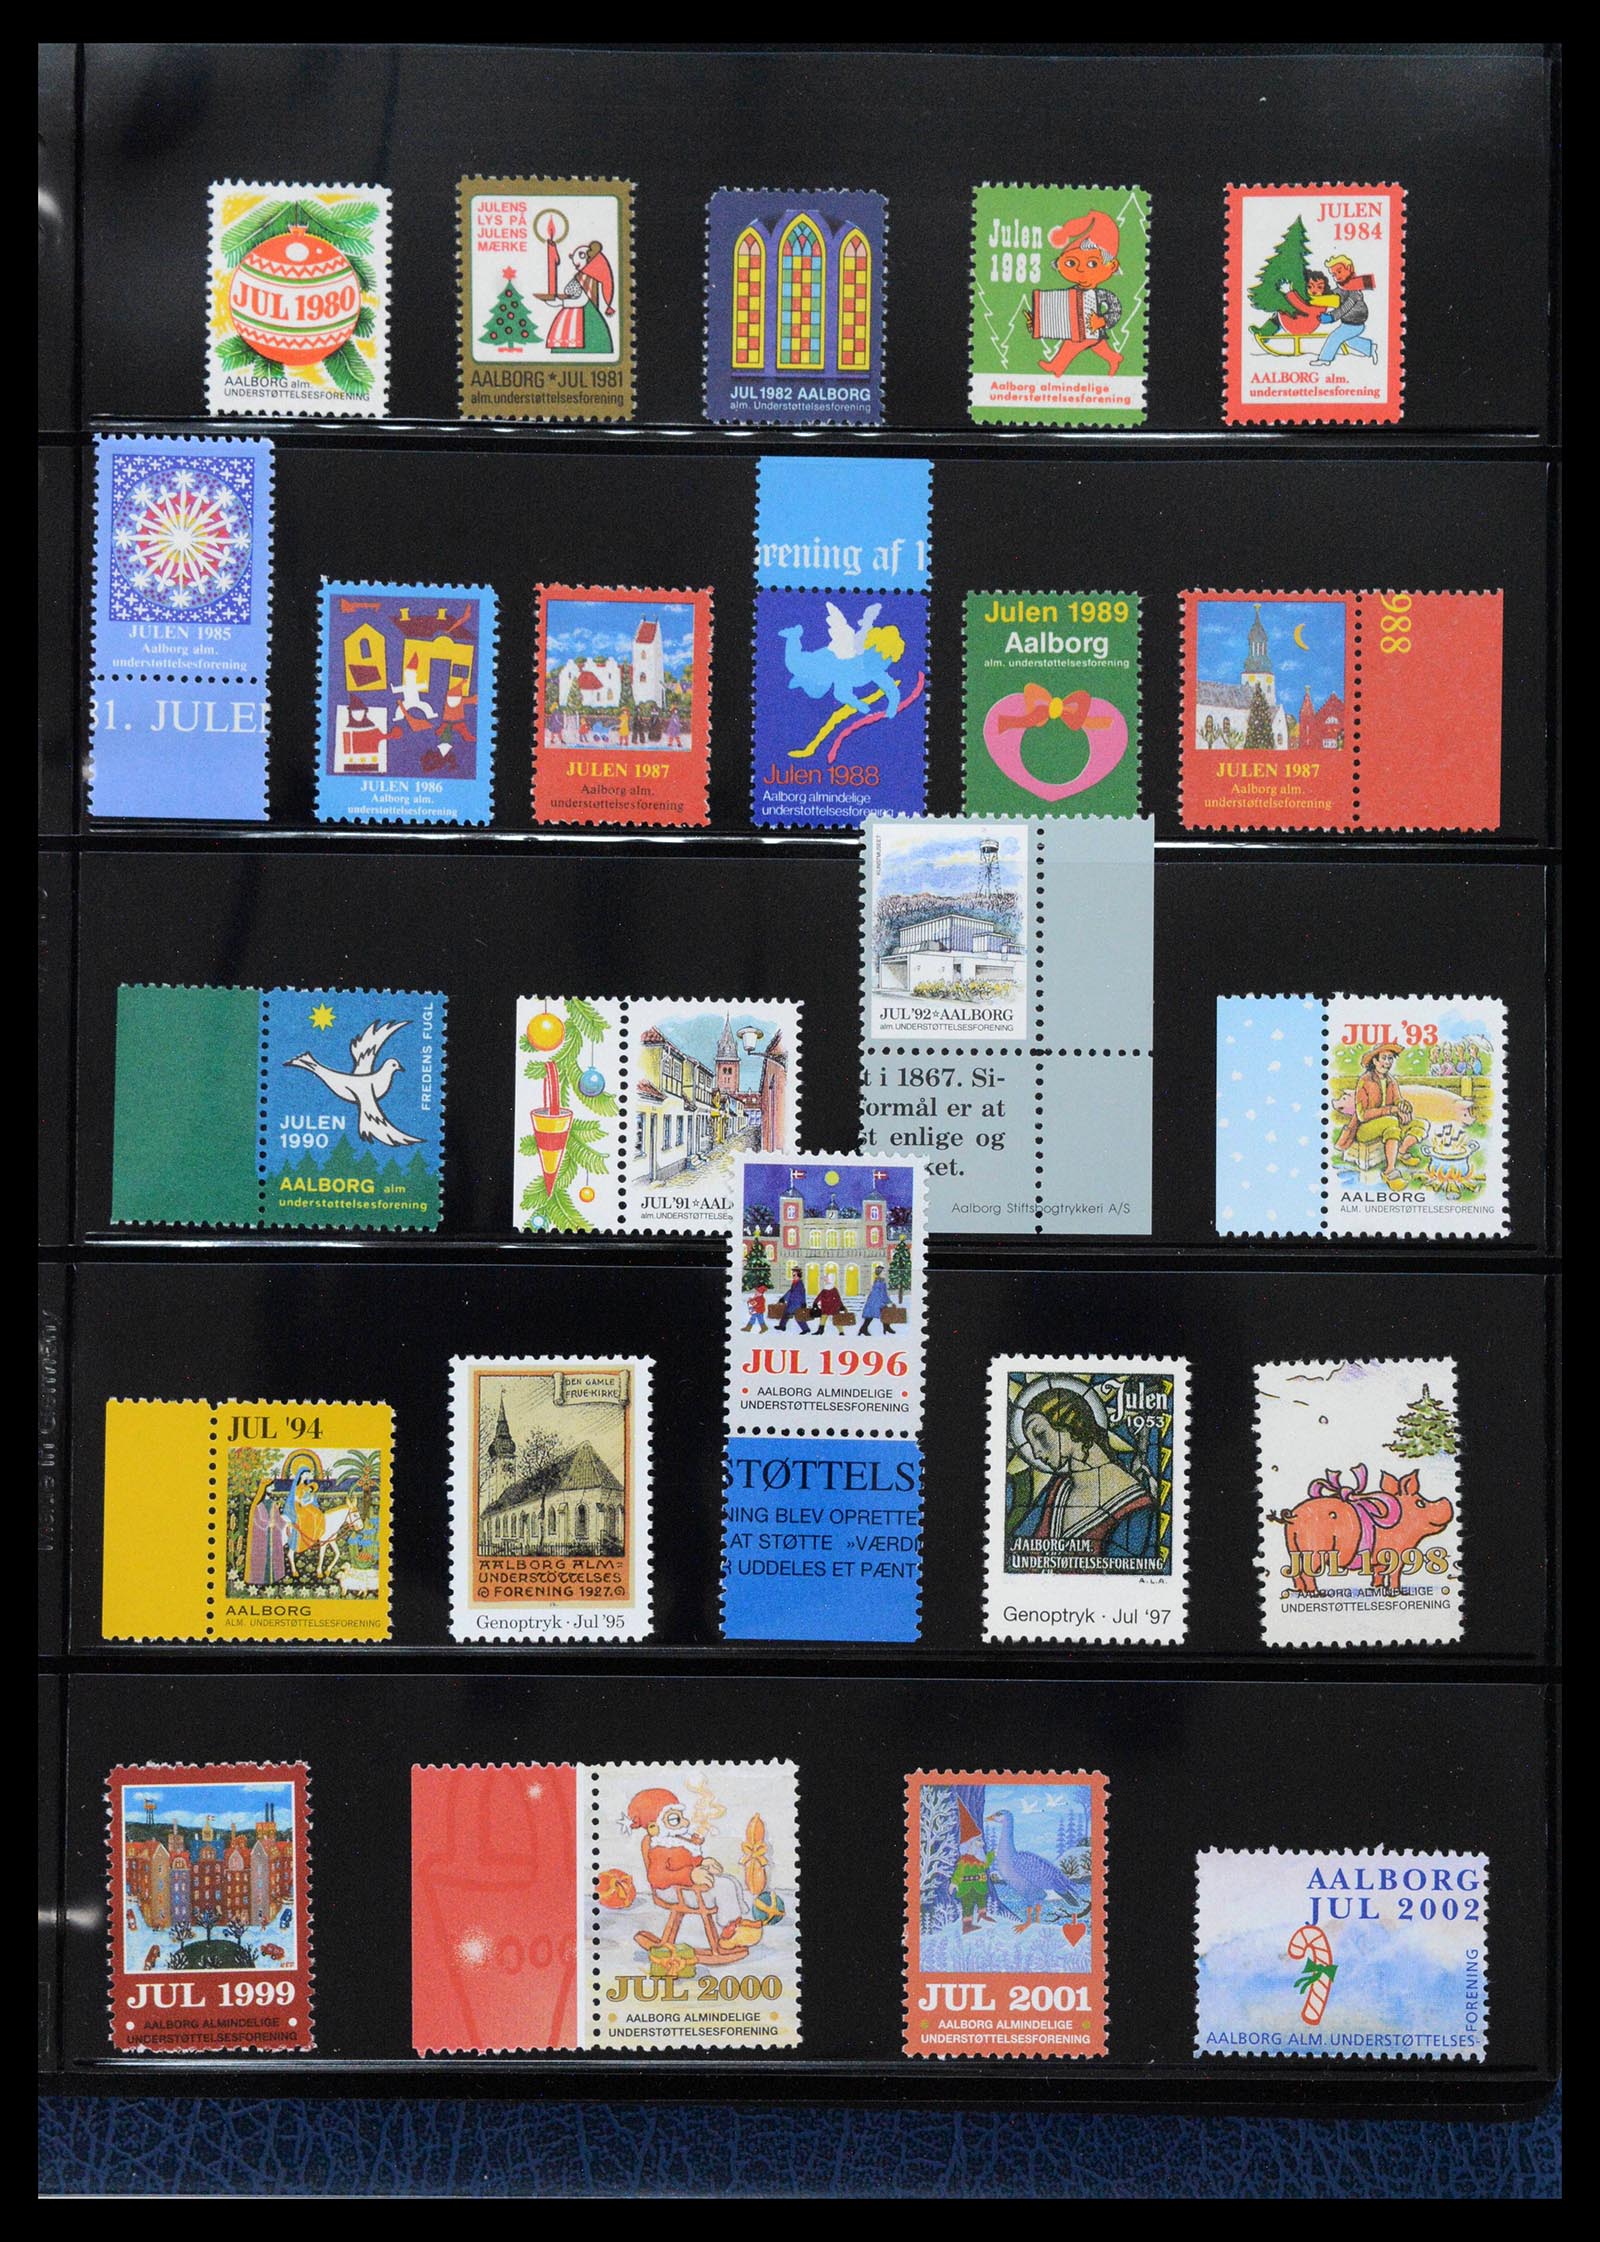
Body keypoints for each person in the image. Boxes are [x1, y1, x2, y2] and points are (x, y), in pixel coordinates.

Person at [1334, 1041, 1423, 1190]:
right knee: (1391, 1122)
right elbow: (1362, 1115)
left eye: (1390, 1058)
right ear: (1375, 1061)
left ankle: (1401, 1151)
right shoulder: (1365, 1081)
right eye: (1384, 1058)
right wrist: (1392, 1110)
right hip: (1364, 1129)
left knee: (1421, 1124)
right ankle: (1390, 1172)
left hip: (1387, 1123)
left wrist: (1404, 1108)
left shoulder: (1391, 1081)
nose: (1387, 1062)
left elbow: (1398, 1101)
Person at [1316, 253, 1378, 364]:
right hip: (1347, 323)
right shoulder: (1343, 288)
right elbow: (1334, 294)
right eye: (1334, 274)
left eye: (1339, 271)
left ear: (1349, 268)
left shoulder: (1355, 290)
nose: (1337, 276)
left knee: (1334, 337)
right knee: (1350, 341)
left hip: (1356, 323)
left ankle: (1324, 359)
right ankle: (1369, 348)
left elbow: (1346, 306)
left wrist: (1332, 316)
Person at [770, 1267, 813, 1334]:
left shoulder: (800, 1284)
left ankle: (784, 1326)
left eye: (794, 1275)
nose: (793, 1276)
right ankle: (783, 1326)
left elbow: (802, 1294)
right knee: (792, 1315)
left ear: (798, 1275)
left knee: (793, 1315)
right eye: (792, 1275)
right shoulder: (795, 1283)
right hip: (792, 1302)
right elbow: (790, 1292)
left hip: (796, 1303)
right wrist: (783, 1298)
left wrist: (803, 1303)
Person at [858, 1264, 892, 1336]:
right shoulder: (879, 1282)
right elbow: (882, 1293)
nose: (885, 1273)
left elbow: (883, 1293)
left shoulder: (880, 1281)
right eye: (883, 1272)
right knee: (871, 1316)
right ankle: (863, 1329)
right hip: (875, 1302)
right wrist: (887, 1302)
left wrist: (886, 1301)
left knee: (883, 1314)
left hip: (875, 1302)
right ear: (879, 1273)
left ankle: (886, 1327)